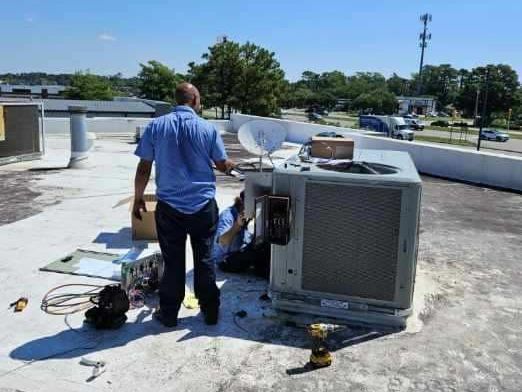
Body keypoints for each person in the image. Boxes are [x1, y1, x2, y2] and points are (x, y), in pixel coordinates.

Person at [133, 82, 234, 327]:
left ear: (176, 100)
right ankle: (210, 312)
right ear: (195, 100)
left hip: (169, 207)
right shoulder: (208, 129)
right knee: (205, 259)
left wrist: (138, 197)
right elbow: (221, 164)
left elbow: (144, 166)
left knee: (173, 261)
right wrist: (228, 165)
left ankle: (169, 314)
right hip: (202, 207)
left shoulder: (156, 126)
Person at [214, 192, 271, 279]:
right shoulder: (227, 216)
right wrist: (237, 225)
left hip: (239, 251)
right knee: (257, 250)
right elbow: (223, 241)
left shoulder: (245, 215)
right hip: (226, 260)